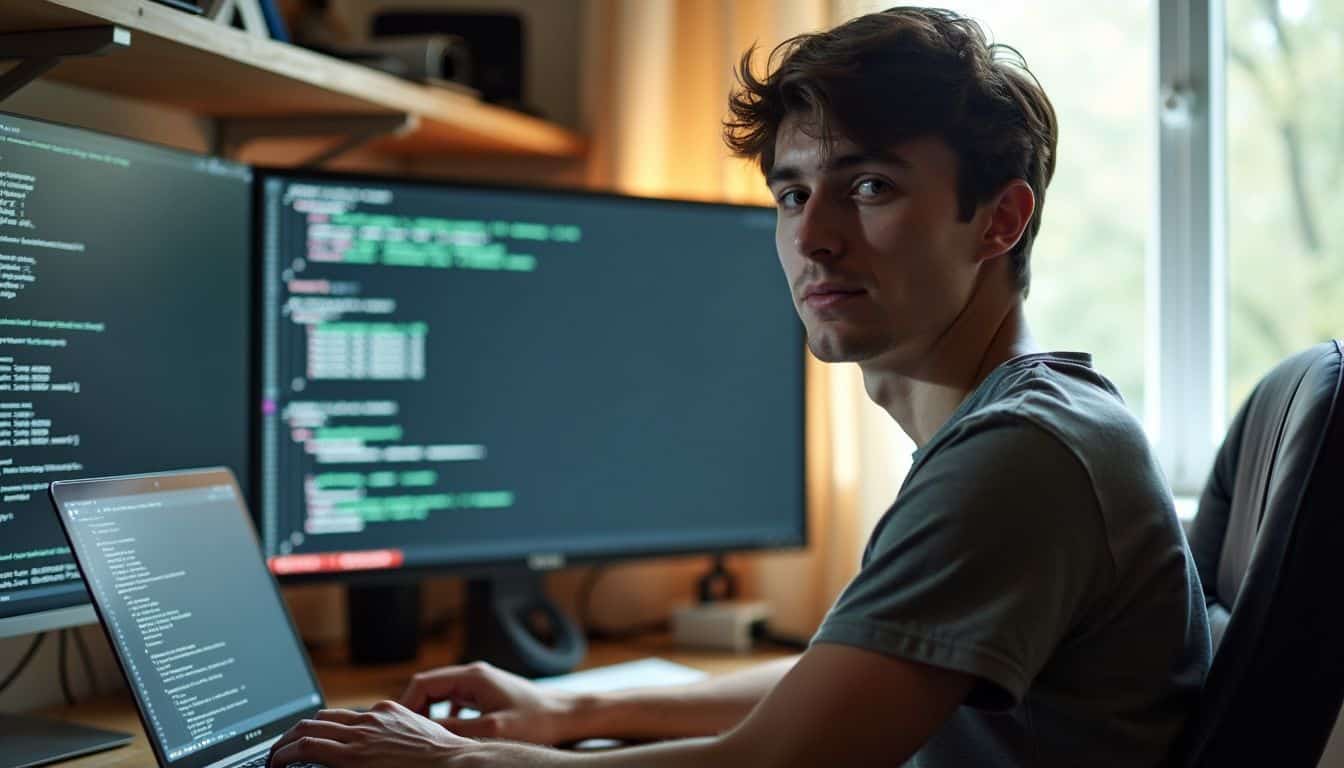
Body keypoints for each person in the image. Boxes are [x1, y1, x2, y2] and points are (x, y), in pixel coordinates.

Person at [268, 7, 1211, 767]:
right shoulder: (1017, 425)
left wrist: (450, 763)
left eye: (870, 186)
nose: (813, 236)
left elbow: (776, 758)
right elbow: (842, 681)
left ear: (1000, 219)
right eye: (793, 193)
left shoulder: (1023, 457)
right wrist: (563, 712)